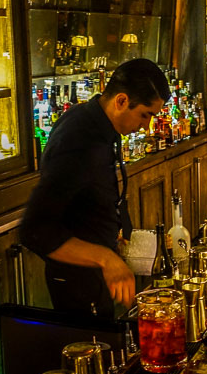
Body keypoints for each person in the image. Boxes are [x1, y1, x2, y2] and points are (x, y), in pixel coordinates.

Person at [20, 58, 169, 318]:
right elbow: (35, 231)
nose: (146, 126)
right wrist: (104, 257)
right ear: (121, 101)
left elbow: (87, 199)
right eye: (145, 114)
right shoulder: (79, 139)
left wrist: (115, 239)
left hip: (98, 275)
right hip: (77, 283)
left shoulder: (97, 125)